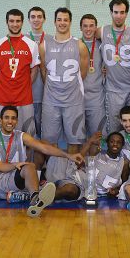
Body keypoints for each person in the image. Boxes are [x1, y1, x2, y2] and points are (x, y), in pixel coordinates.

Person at [39, 8, 89, 155]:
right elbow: (44, 72)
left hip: (73, 100)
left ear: (70, 22)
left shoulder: (79, 45)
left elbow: (83, 73)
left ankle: (71, 173)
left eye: (65, 20)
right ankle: (53, 174)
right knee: (49, 140)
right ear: (54, 22)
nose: (62, 23)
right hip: (51, 100)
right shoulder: (44, 45)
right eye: (59, 19)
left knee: (74, 140)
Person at [0, 9, 39, 136]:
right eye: (11, 21)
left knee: (26, 137)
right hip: (2, 99)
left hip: (24, 100)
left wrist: (23, 87)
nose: (14, 24)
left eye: (18, 21)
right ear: (7, 22)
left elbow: (34, 71)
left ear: (22, 23)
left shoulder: (32, 45)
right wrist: (7, 87)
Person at [97, 0, 130, 133]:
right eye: (116, 12)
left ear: (126, 14)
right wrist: (99, 65)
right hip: (112, 90)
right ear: (111, 12)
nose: (119, 16)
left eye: (122, 12)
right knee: (114, 127)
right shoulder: (102, 31)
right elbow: (89, 46)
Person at [47, 132, 129, 201]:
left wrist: (115, 191)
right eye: (112, 141)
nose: (115, 144)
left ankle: (44, 197)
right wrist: (90, 142)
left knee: (69, 190)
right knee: (67, 187)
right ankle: (40, 199)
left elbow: (123, 185)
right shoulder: (98, 155)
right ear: (107, 143)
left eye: (118, 142)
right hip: (78, 181)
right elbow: (78, 161)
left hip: (86, 191)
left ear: (122, 145)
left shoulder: (123, 163)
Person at [25, 7, 52, 139]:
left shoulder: (51, 39)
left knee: (46, 133)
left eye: (39, 16)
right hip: (26, 94)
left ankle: (46, 160)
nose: (36, 19)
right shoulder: (22, 39)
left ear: (44, 19)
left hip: (47, 94)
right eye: (33, 17)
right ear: (28, 20)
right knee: (28, 132)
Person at [80, 14, 106, 139]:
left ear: (96, 27)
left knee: (96, 137)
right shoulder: (75, 44)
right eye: (85, 26)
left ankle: (94, 159)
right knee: (77, 137)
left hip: (97, 98)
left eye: (91, 26)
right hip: (77, 98)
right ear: (80, 28)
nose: (88, 29)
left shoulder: (103, 45)